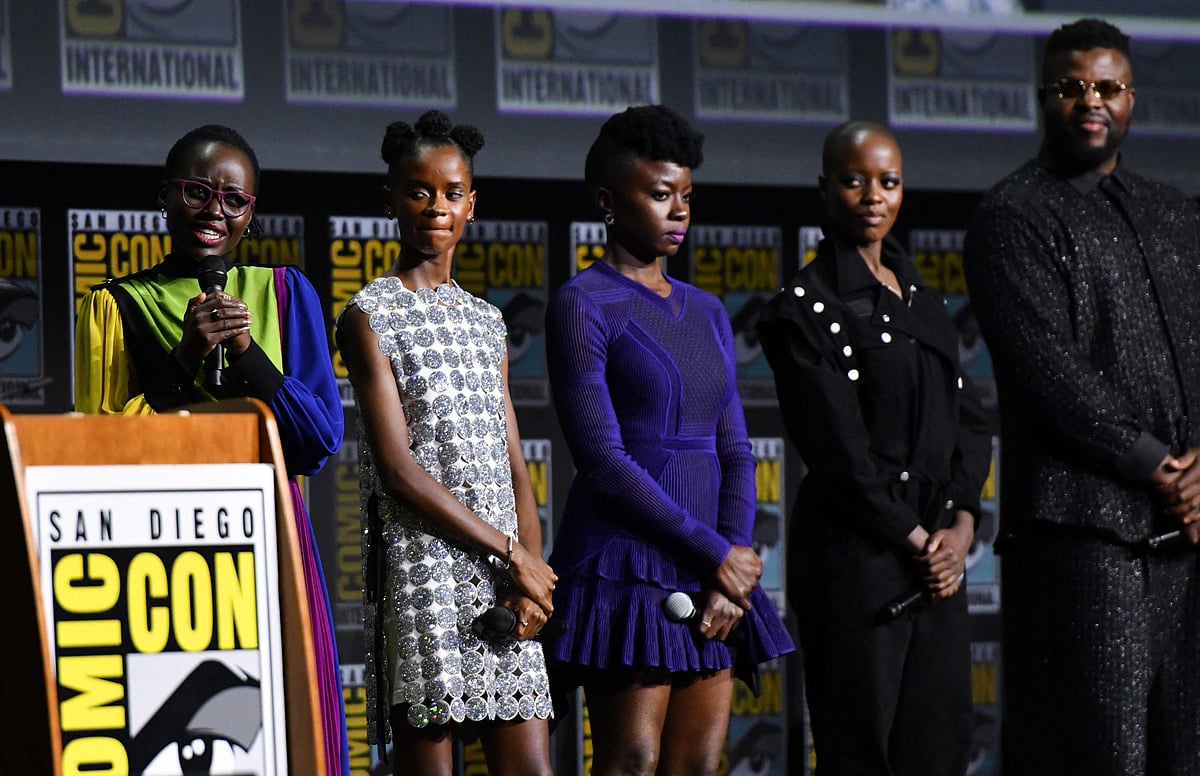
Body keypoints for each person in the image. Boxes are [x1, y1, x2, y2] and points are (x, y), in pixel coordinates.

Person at [73, 124, 349, 775]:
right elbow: (103, 450)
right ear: (164, 197)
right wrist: (185, 357)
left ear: (251, 213)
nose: (213, 211)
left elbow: (317, 440)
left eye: (233, 199)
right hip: (161, 550)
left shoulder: (285, 293)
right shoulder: (113, 306)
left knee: (284, 730)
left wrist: (248, 355)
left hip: (271, 539)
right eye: (196, 191)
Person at [963, 18, 1200, 775]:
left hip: (1188, 542)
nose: (1090, 101)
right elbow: (1048, 373)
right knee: (1098, 758)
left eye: (1107, 87)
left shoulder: (1176, 215)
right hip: (1083, 541)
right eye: (1072, 87)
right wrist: (1160, 467)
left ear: (1131, 98)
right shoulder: (1012, 216)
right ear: (1043, 98)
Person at [541, 104, 794, 776]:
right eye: (660, 195)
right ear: (607, 202)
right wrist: (719, 554)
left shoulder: (707, 310)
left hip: (712, 571)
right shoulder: (582, 302)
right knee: (631, 760)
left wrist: (732, 567)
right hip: (626, 563)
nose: (679, 211)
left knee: (698, 764)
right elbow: (603, 462)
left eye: (686, 195)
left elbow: (735, 450)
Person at [757, 120, 991, 775]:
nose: (873, 196)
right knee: (859, 753)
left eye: (888, 182)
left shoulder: (922, 297)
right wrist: (922, 544)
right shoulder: (800, 310)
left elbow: (971, 423)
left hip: (938, 563)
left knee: (939, 750)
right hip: (858, 565)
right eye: (854, 181)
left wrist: (960, 530)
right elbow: (842, 459)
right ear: (824, 189)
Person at [335, 110, 556, 776]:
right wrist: (513, 553)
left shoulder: (488, 322)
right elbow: (398, 472)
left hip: (504, 577)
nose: (436, 206)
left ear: (471, 204)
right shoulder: (369, 315)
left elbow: (515, 463)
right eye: (419, 191)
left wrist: (530, 577)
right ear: (390, 201)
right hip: (423, 571)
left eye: (452, 192)